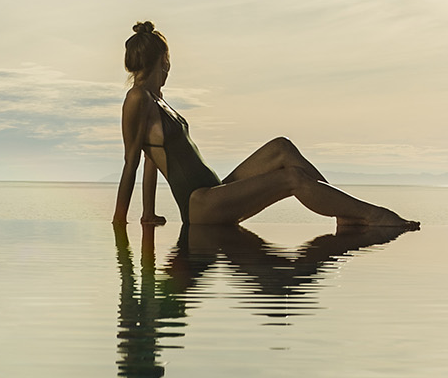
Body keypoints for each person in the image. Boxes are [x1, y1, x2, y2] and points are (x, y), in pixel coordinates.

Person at [112, 21, 419, 229]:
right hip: (201, 204)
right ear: (163, 61)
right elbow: (132, 162)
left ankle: (344, 213)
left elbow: (152, 159)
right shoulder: (137, 98)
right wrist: (119, 222)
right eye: (168, 62)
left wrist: (148, 214)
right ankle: (372, 215)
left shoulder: (157, 99)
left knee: (282, 148)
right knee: (292, 178)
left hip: (214, 191)